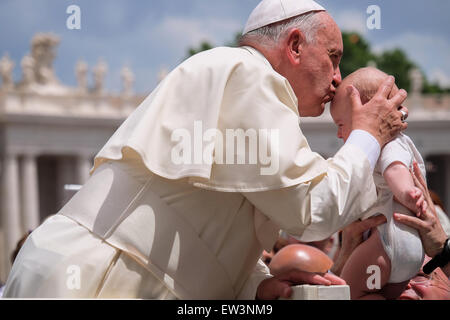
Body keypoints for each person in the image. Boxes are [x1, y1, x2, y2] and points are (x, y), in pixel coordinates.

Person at [3, 0, 408, 300]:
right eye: (333, 58)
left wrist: (257, 286)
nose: (337, 78)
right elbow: (313, 210)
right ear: (296, 45)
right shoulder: (248, 74)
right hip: (90, 280)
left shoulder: (239, 84)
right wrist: (368, 135)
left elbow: (205, 230)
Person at [329, 67, 426, 300]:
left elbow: (396, 169)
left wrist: (407, 193)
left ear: (368, 112)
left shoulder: (387, 143)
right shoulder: (398, 142)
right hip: (408, 248)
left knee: (350, 291)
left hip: (386, 242)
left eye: (341, 124)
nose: (339, 134)